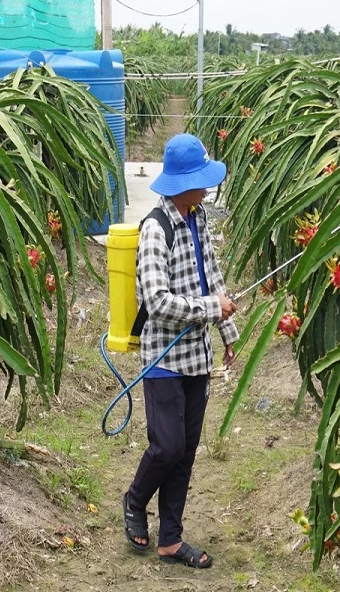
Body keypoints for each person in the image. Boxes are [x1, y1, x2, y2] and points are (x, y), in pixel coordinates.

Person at [122, 133, 239, 569]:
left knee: (186, 450)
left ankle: (171, 539)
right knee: (167, 446)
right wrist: (211, 309)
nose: (207, 188)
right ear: (180, 184)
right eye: (201, 181)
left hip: (197, 358)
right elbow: (155, 299)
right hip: (163, 358)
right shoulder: (155, 229)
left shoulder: (199, 217)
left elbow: (214, 275)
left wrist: (227, 329)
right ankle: (134, 500)